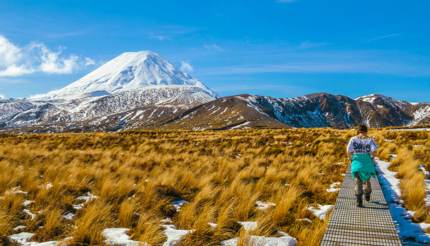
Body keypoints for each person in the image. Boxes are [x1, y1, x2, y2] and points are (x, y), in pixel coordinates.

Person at [346, 124, 377, 207]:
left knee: (358, 181)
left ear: (358, 131)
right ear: (366, 131)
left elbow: (348, 151)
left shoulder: (353, 139)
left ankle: (359, 200)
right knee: (367, 180)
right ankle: (367, 193)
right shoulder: (370, 140)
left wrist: (351, 159)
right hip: (367, 163)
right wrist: (371, 158)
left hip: (357, 163)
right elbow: (374, 151)